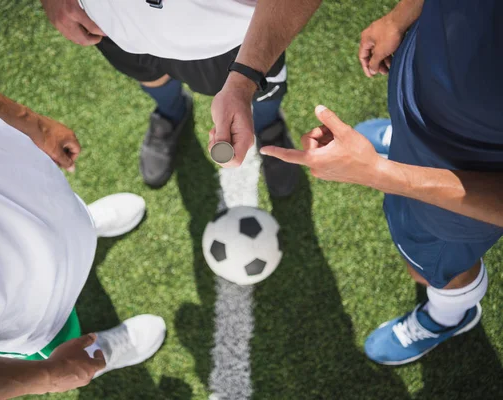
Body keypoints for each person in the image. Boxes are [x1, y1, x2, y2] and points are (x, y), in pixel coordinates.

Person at [0, 2, 166, 398]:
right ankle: (89, 349)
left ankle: (80, 228)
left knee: (57, 217)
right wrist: (52, 374)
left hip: (44, 207)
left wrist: (29, 121)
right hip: (27, 309)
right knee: (55, 331)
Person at [261, 0, 503, 365]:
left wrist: (379, 173)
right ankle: (402, 139)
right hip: (427, 86)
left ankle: (448, 317)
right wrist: (401, 16)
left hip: (465, 174)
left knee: (430, 265)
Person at [40, 0, 323, 197]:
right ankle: (172, 112)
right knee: (151, 78)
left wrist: (245, 77)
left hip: (229, 37)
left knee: (258, 94)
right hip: (111, 23)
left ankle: (267, 125)